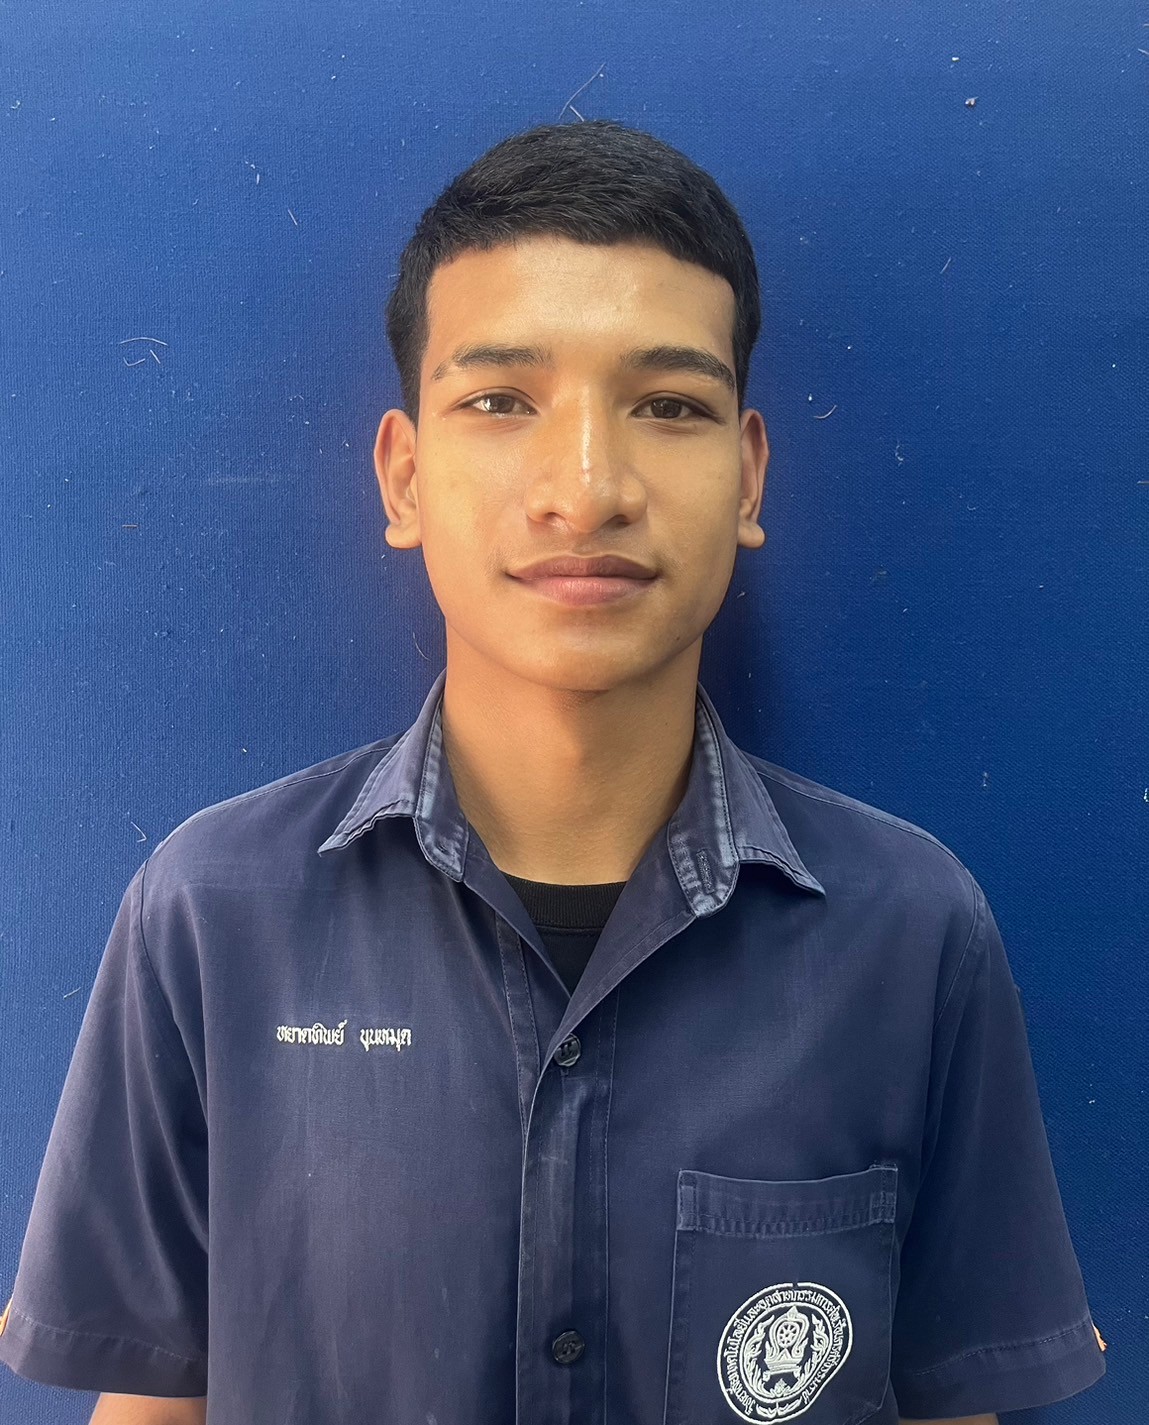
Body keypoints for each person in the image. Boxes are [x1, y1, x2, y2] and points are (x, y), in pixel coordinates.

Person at [0, 119, 1106, 1425]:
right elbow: (152, 1404)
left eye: (669, 406)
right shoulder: (210, 915)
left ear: (748, 477)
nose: (585, 490)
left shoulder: (910, 934)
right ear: (404, 478)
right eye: (500, 401)